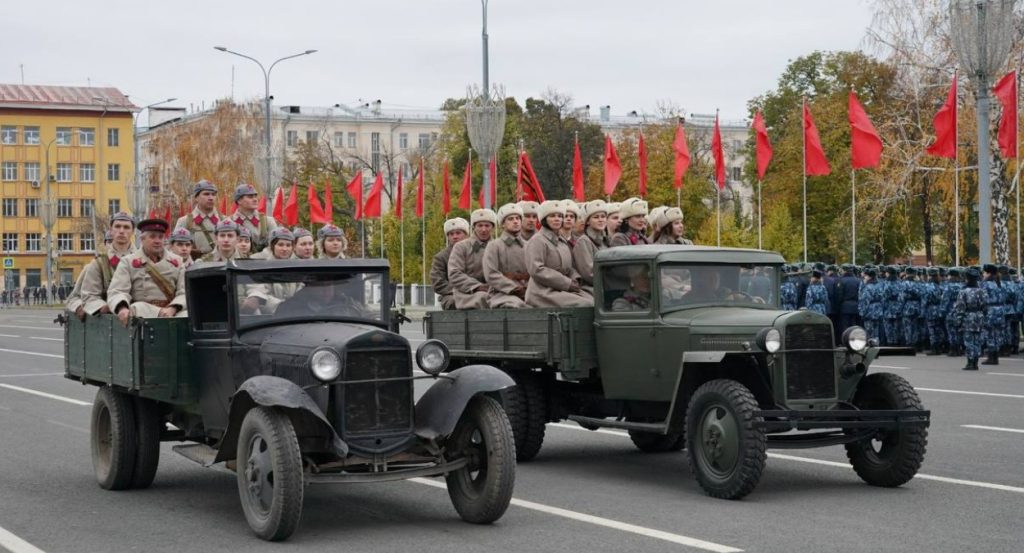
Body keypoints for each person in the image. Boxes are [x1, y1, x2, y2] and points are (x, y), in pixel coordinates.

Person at [107, 219, 186, 326]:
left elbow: (184, 292)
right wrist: (122, 308)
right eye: (152, 236)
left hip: (172, 311)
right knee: (137, 308)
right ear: (142, 239)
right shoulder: (128, 261)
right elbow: (117, 291)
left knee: (188, 316)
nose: (157, 241)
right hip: (143, 313)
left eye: (161, 237)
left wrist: (173, 308)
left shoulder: (177, 261)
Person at [65, 212, 136, 321]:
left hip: (136, 316)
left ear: (133, 231)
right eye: (117, 226)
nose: (122, 231)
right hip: (109, 321)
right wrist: (100, 307)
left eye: (126, 227)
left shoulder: (142, 261)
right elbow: (81, 297)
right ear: (111, 230)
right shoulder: (98, 264)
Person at [524, 200, 592, 307]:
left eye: (560, 216)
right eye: (552, 216)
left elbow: (569, 267)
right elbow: (537, 270)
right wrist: (567, 283)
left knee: (595, 301)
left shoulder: (562, 241)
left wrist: (576, 279)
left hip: (562, 288)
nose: (557, 219)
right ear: (544, 219)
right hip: (543, 292)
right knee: (586, 304)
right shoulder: (537, 241)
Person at [241, 228, 299, 314]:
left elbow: (301, 288)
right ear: (272, 246)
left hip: (297, 312)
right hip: (271, 315)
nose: (285, 249)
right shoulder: (261, 266)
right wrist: (282, 306)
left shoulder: (297, 266)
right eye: (280, 245)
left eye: (288, 245)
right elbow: (259, 294)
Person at [447, 209, 496, 309]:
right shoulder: (461, 247)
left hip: (496, 290)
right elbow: (455, 273)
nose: (483, 229)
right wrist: (477, 286)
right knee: (485, 298)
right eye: (480, 225)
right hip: (467, 293)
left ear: (493, 227)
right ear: (474, 227)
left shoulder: (498, 246)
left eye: (487, 226)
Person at [482, 203, 529, 308]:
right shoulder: (494, 246)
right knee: (515, 306)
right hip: (502, 293)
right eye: (510, 219)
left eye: (518, 218)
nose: (515, 221)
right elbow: (491, 274)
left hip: (529, 291)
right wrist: (514, 288)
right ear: (503, 224)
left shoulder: (529, 245)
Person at [174, 179, 224, 259]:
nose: (211, 198)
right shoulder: (185, 221)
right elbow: (176, 249)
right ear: (196, 198)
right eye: (206, 194)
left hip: (221, 267)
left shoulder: (224, 220)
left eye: (213, 194)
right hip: (196, 267)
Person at [952, 267, 989, 370]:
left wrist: (958, 320)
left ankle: (970, 362)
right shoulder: (982, 291)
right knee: (977, 340)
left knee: (969, 341)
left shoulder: (963, 292)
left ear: (967, 278)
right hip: (979, 317)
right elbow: (986, 306)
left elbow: (960, 308)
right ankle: (976, 362)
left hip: (968, 317)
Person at [431, 218, 469, 310]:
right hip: (451, 294)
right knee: (455, 302)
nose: (455, 236)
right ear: (447, 237)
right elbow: (438, 283)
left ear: (466, 235)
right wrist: (462, 290)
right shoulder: (441, 257)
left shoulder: (476, 252)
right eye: (451, 234)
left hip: (476, 292)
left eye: (458, 233)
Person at [572, 199, 610, 292]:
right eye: (596, 217)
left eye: (603, 216)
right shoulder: (583, 242)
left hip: (607, 285)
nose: (601, 220)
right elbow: (589, 274)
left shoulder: (606, 240)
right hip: (593, 289)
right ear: (588, 221)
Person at [230, 183, 278, 253]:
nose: (255, 199)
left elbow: (275, 245)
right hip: (237, 261)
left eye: (255, 196)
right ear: (239, 200)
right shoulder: (229, 222)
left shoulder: (267, 221)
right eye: (250, 197)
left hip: (262, 261)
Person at [980, 264, 1003, 365]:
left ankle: (991, 357)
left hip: (990, 310)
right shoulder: (997, 283)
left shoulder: (985, 284)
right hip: (999, 310)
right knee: (996, 334)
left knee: (989, 334)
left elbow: (983, 299)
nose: (983, 275)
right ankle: (995, 356)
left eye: (984, 273)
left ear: (988, 273)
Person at [941, 267, 965, 356]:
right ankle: (960, 348)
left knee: (951, 331)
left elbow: (945, 301)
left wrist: (942, 311)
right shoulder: (962, 286)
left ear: (951, 276)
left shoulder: (948, 287)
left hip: (951, 311)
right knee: (959, 330)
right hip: (960, 310)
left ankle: (953, 349)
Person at [835, 264, 861, 337]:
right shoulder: (858, 280)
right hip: (856, 306)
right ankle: (855, 340)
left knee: (845, 326)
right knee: (854, 325)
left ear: (844, 270)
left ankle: (845, 341)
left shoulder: (841, 280)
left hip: (845, 306)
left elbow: (840, 295)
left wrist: (838, 306)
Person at [923, 267, 945, 355]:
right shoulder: (939, 286)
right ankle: (939, 347)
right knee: (938, 328)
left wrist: (923, 309)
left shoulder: (928, 286)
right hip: (938, 308)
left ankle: (934, 348)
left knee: (932, 329)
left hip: (931, 309)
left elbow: (925, 299)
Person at [859, 268, 884, 343]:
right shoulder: (880, 285)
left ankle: (871, 346)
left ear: (869, 277)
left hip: (870, 311)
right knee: (876, 330)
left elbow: (865, 301)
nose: (865, 277)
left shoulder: (868, 287)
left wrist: (862, 312)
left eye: (866, 276)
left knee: (869, 330)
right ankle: (877, 343)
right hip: (878, 309)